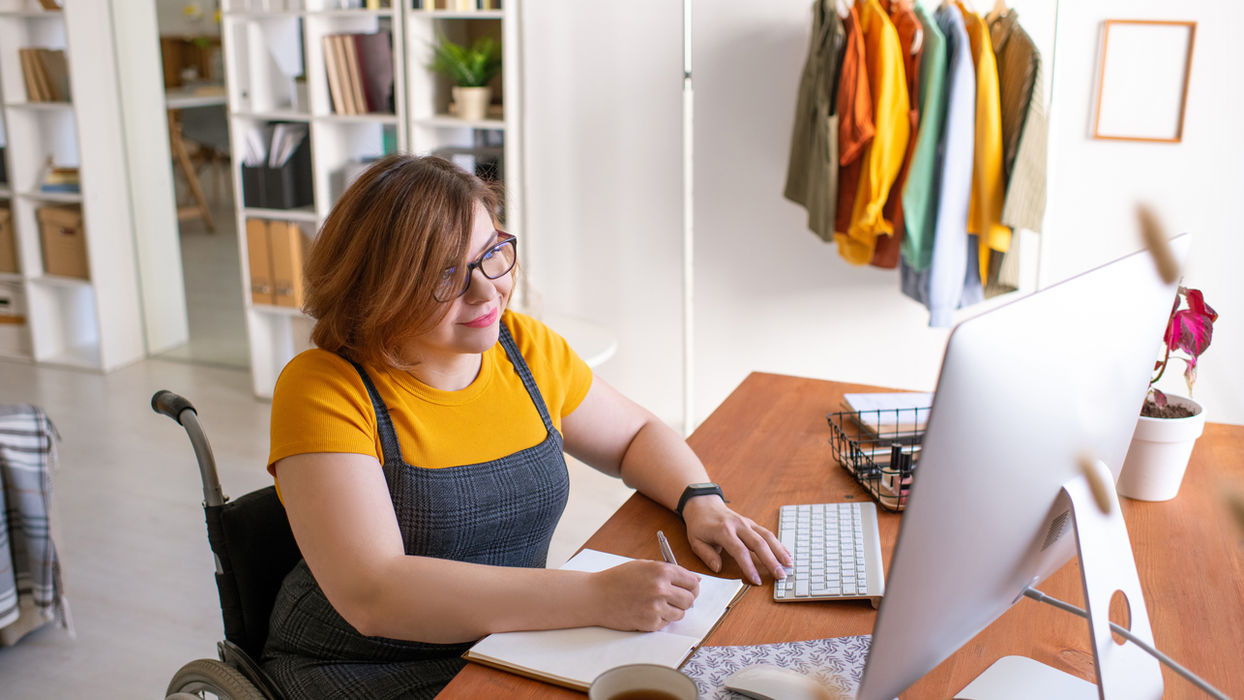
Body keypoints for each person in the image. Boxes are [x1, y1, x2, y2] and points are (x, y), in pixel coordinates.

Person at [260, 154, 790, 699]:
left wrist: (701, 501)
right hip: (361, 666)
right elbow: (375, 593)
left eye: (492, 254)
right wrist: (593, 597)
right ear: (378, 285)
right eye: (446, 275)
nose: (487, 290)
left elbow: (636, 436)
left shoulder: (524, 348)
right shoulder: (325, 387)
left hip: (509, 641)